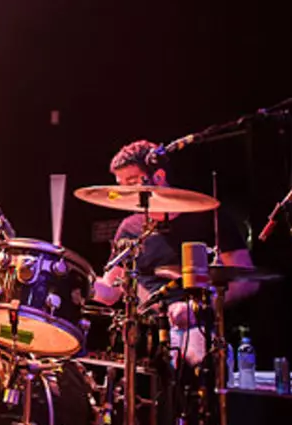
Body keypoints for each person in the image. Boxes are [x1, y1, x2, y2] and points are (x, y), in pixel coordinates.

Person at [91, 140, 259, 366]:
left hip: (199, 328)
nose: (125, 193)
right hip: (146, 334)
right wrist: (77, 281)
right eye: (121, 185)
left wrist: (199, 308)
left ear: (159, 177)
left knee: (194, 354)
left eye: (131, 182)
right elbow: (111, 292)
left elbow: (247, 281)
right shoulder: (129, 228)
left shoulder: (208, 218)